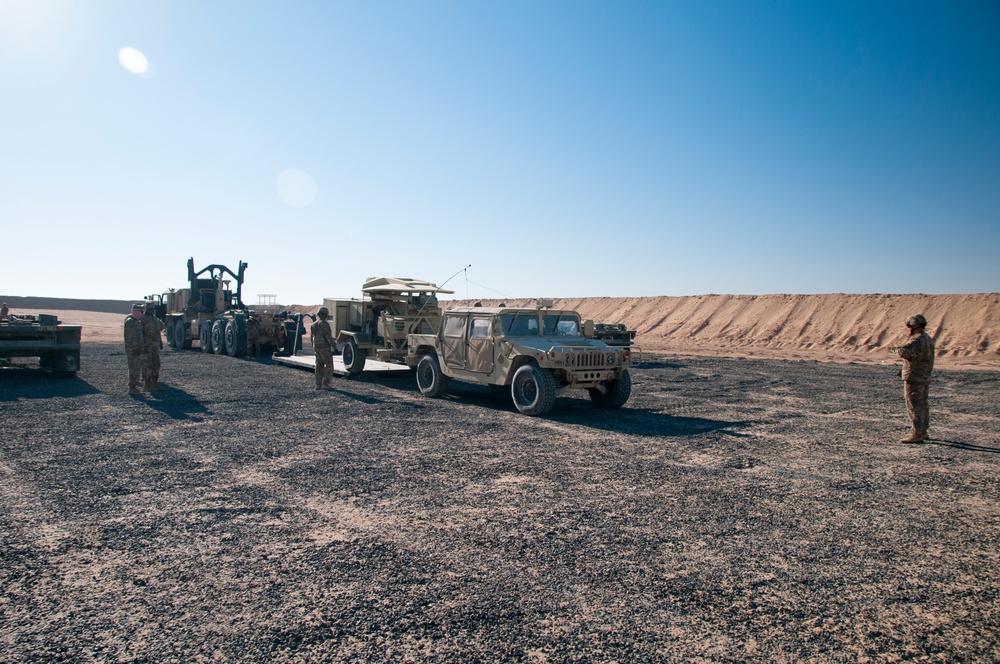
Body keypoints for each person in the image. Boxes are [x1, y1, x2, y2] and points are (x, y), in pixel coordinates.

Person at [890, 314, 935, 443]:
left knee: (914, 405)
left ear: (914, 326)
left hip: (914, 376)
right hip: (924, 376)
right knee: (922, 404)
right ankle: (923, 430)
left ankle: (918, 432)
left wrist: (895, 350)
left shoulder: (917, 339)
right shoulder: (928, 338)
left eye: (909, 326)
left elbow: (904, 352)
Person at [310, 306, 336, 389]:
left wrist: (313, 347)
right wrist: (335, 347)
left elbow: (312, 338)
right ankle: (326, 384)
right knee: (329, 366)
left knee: (319, 366)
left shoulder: (313, 325)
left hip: (316, 348)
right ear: (326, 315)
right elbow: (329, 338)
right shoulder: (325, 324)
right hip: (325, 348)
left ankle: (318, 385)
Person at [141, 302, 165, 391]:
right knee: (147, 365)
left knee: (156, 364)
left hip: (155, 346)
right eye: (149, 309)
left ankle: (154, 383)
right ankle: (147, 385)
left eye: (152, 309)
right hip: (146, 347)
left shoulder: (154, 319)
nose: (150, 311)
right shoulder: (142, 320)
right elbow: (140, 333)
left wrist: (160, 343)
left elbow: (159, 330)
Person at [123, 303, 145, 395]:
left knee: (137, 367)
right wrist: (136, 348)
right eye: (141, 311)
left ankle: (135, 384)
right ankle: (132, 387)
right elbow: (130, 338)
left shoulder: (136, 321)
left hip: (137, 349)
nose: (142, 314)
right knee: (133, 367)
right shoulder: (130, 322)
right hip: (133, 349)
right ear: (136, 311)